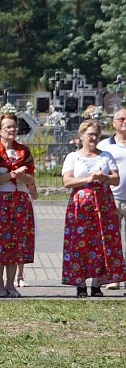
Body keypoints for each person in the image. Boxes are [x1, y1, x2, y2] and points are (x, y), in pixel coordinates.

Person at [61, 120, 124, 297]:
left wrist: (103, 177)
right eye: (90, 134)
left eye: (96, 135)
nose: (93, 138)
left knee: (101, 242)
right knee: (79, 242)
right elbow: (67, 181)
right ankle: (80, 284)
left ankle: (97, 284)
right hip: (80, 206)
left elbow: (116, 179)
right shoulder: (73, 157)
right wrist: (89, 179)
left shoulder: (106, 156)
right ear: (81, 136)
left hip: (102, 205)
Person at [0, 110, 36, 297]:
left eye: (14, 126)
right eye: (8, 127)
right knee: (0, 243)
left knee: (15, 244)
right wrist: (11, 175)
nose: (12, 130)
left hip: (20, 201)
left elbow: (31, 177)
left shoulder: (24, 151)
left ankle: (11, 284)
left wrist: (22, 175)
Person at [97, 108, 126, 289]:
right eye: (121, 119)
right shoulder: (104, 146)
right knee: (111, 241)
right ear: (114, 123)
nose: (124, 122)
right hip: (112, 199)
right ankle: (115, 277)